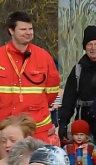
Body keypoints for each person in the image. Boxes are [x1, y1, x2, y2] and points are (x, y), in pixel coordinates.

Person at [0, 12, 60, 144]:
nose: (28, 32)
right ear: (11, 31)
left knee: (36, 164)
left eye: (30, 29)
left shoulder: (44, 57)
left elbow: (52, 92)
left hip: (37, 129)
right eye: (23, 29)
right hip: (4, 128)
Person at [59, 26, 96, 139]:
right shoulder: (78, 69)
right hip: (84, 125)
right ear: (85, 47)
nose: (93, 48)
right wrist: (63, 124)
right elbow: (68, 100)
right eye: (89, 44)